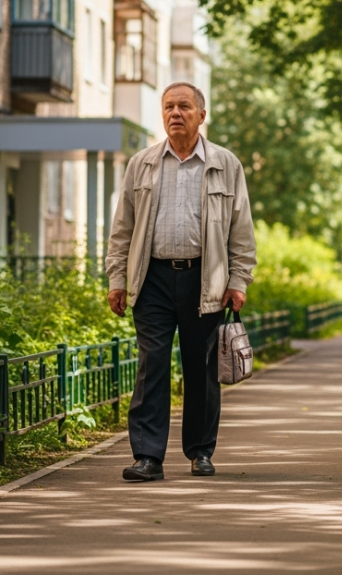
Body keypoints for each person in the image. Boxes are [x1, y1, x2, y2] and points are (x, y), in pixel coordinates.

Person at [105, 82, 257, 483]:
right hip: (151, 278)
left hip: (204, 279)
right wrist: (117, 278)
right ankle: (148, 457)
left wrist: (239, 280)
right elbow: (123, 228)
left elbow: (241, 230)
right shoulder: (142, 164)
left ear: (201, 115)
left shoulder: (226, 164)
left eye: (184, 106)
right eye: (169, 106)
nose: (175, 113)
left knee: (201, 367)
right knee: (151, 363)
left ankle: (200, 452)